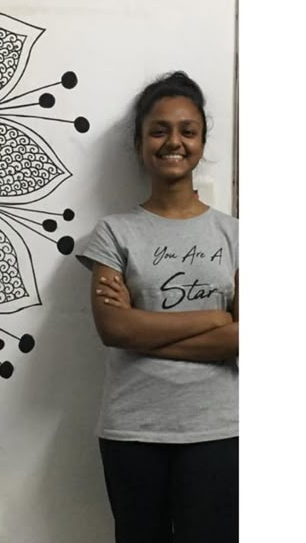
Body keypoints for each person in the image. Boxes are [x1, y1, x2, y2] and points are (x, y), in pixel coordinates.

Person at [77, 71, 238, 543]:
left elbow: (247, 338)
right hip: (133, 429)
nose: (174, 141)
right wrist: (216, 318)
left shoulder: (236, 234)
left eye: (187, 130)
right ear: (140, 141)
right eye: (159, 129)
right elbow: (114, 331)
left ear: (202, 141)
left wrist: (142, 330)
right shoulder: (113, 234)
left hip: (218, 428)